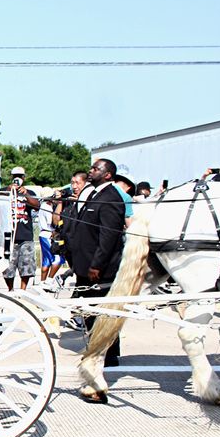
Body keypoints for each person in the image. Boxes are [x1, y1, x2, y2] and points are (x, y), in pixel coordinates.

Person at [68, 158, 125, 379]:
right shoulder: (94, 194)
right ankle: (97, 348)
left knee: (104, 311)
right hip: (85, 265)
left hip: (99, 268)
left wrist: (96, 265)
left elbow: (108, 237)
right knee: (90, 311)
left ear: (108, 174)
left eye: (96, 168)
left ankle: (108, 355)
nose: (91, 171)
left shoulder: (110, 198)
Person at [2, 167, 40, 290]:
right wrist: (8, 191)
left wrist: (26, 194)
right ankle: (10, 289)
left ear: (24, 178)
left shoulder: (29, 192)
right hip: (9, 235)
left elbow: (37, 206)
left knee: (27, 267)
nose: (17, 179)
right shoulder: (4, 190)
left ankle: (23, 290)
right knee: (8, 267)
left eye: (20, 176)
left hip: (25, 235)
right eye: (14, 176)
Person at [38, 191, 64, 283]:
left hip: (43, 235)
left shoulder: (42, 206)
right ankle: (49, 280)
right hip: (48, 234)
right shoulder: (47, 207)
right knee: (58, 259)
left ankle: (42, 281)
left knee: (47, 260)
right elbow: (53, 223)